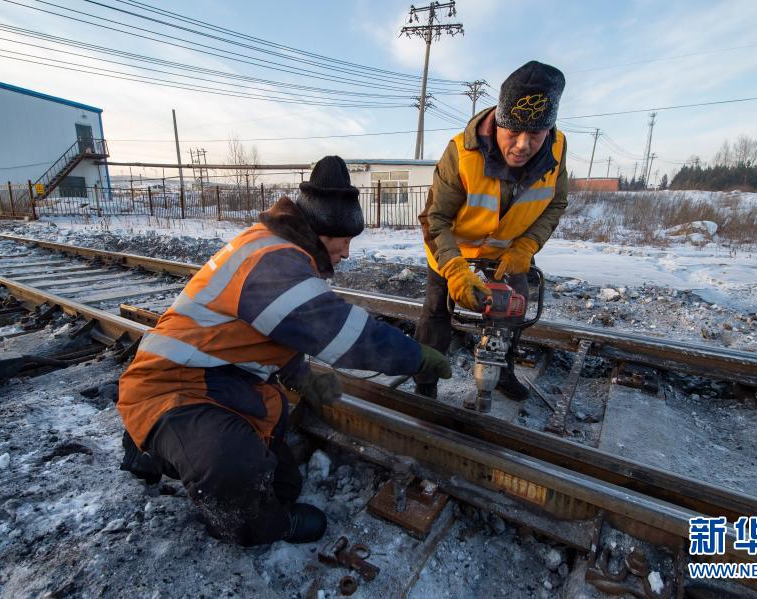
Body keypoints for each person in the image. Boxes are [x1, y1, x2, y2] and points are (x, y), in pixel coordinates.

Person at [116, 156, 452, 547]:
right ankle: (258, 527)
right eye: (345, 239)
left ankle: (153, 447)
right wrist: (415, 356)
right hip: (169, 386)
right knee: (233, 469)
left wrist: (300, 374)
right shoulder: (274, 260)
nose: (346, 252)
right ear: (324, 230)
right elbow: (341, 332)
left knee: (284, 482)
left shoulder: (276, 247)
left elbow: (262, 329)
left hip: (217, 378)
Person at [415, 61, 568, 401]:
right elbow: (435, 217)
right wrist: (454, 270)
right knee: (436, 311)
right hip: (453, 249)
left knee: (513, 309)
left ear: (550, 129)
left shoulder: (558, 150)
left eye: (536, 134)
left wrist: (526, 246)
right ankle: (425, 382)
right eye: (513, 133)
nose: (523, 145)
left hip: (508, 251)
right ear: (498, 121)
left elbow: (556, 203)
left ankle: (501, 372)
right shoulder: (462, 153)